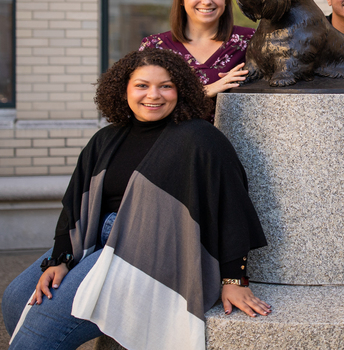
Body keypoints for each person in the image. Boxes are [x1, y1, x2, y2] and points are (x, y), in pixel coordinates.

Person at [2, 48, 269, 350]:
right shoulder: (106, 138)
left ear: (180, 91)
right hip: (95, 240)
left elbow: (231, 206)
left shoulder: (199, 138)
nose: (153, 95)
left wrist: (234, 280)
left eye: (166, 86)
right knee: (14, 298)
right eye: (142, 85)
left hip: (152, 254)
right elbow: (74, 204)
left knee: (42, 325)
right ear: (124, 89)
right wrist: (61, 259)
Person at [140, 0, 253, 98]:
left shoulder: (250, 40)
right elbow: (145, 99)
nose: (206, 1)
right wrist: (207, 90)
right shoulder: (154, 46)